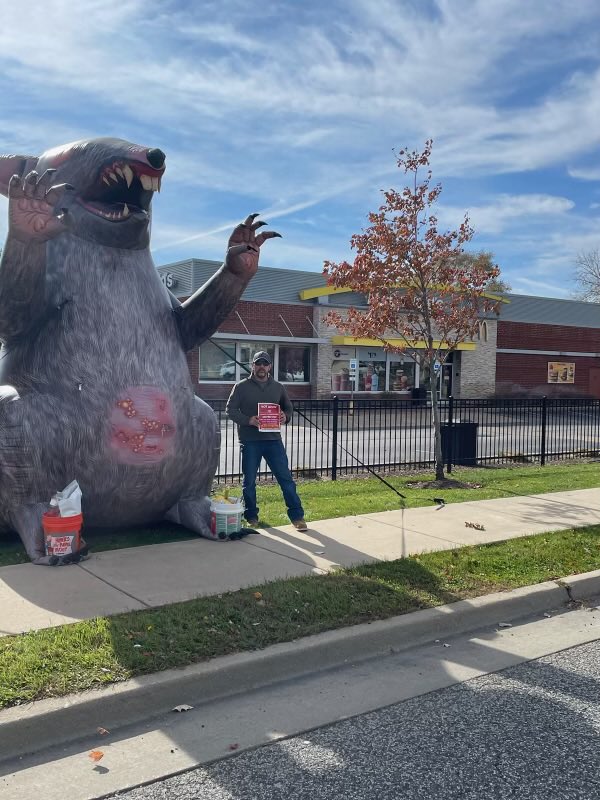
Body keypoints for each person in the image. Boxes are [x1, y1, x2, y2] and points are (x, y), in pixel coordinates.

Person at [226, 351, 307, 531]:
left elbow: (288, 408)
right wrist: (248, 420)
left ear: (270, 367)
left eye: (265, 364)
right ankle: (251, 516)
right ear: (253, 366)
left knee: (286, 480)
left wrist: (285, 417)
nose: (261, 367)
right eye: (258, 363)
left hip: (273, 441)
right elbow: (230, 410)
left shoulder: (278, 387)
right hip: (250, 441)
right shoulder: (241, 387)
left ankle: (297, 516)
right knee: (249, 483)